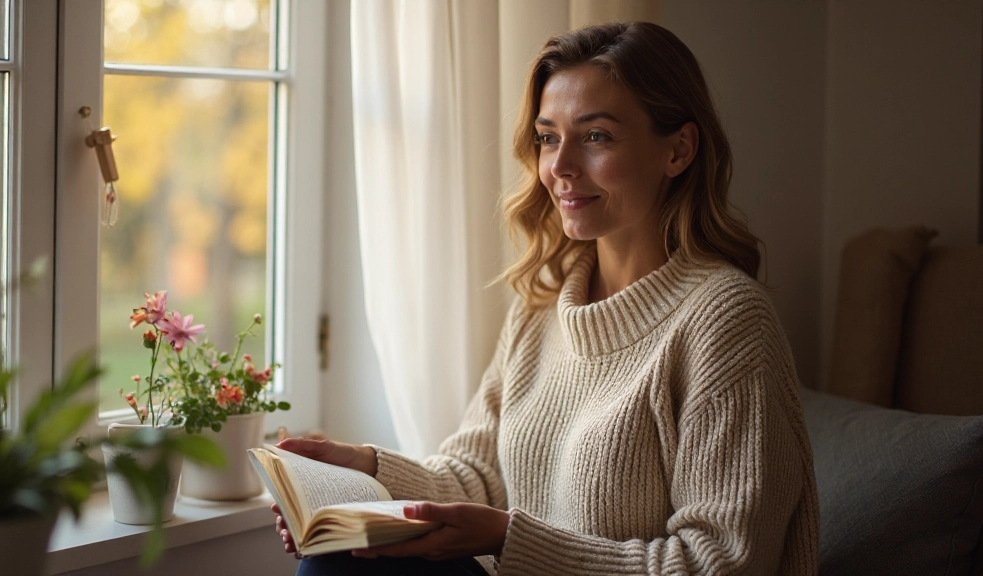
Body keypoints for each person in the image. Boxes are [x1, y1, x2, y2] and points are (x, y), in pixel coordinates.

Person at [273, 21, 819, 576]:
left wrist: (511, 540)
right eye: (549, 137)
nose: (559, 168)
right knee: (341, 557)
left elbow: (722, 562)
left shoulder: (726, 320)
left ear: (678, 150)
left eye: (596, 136)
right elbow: (477, 475)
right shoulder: (541, 309)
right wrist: (364, 469)